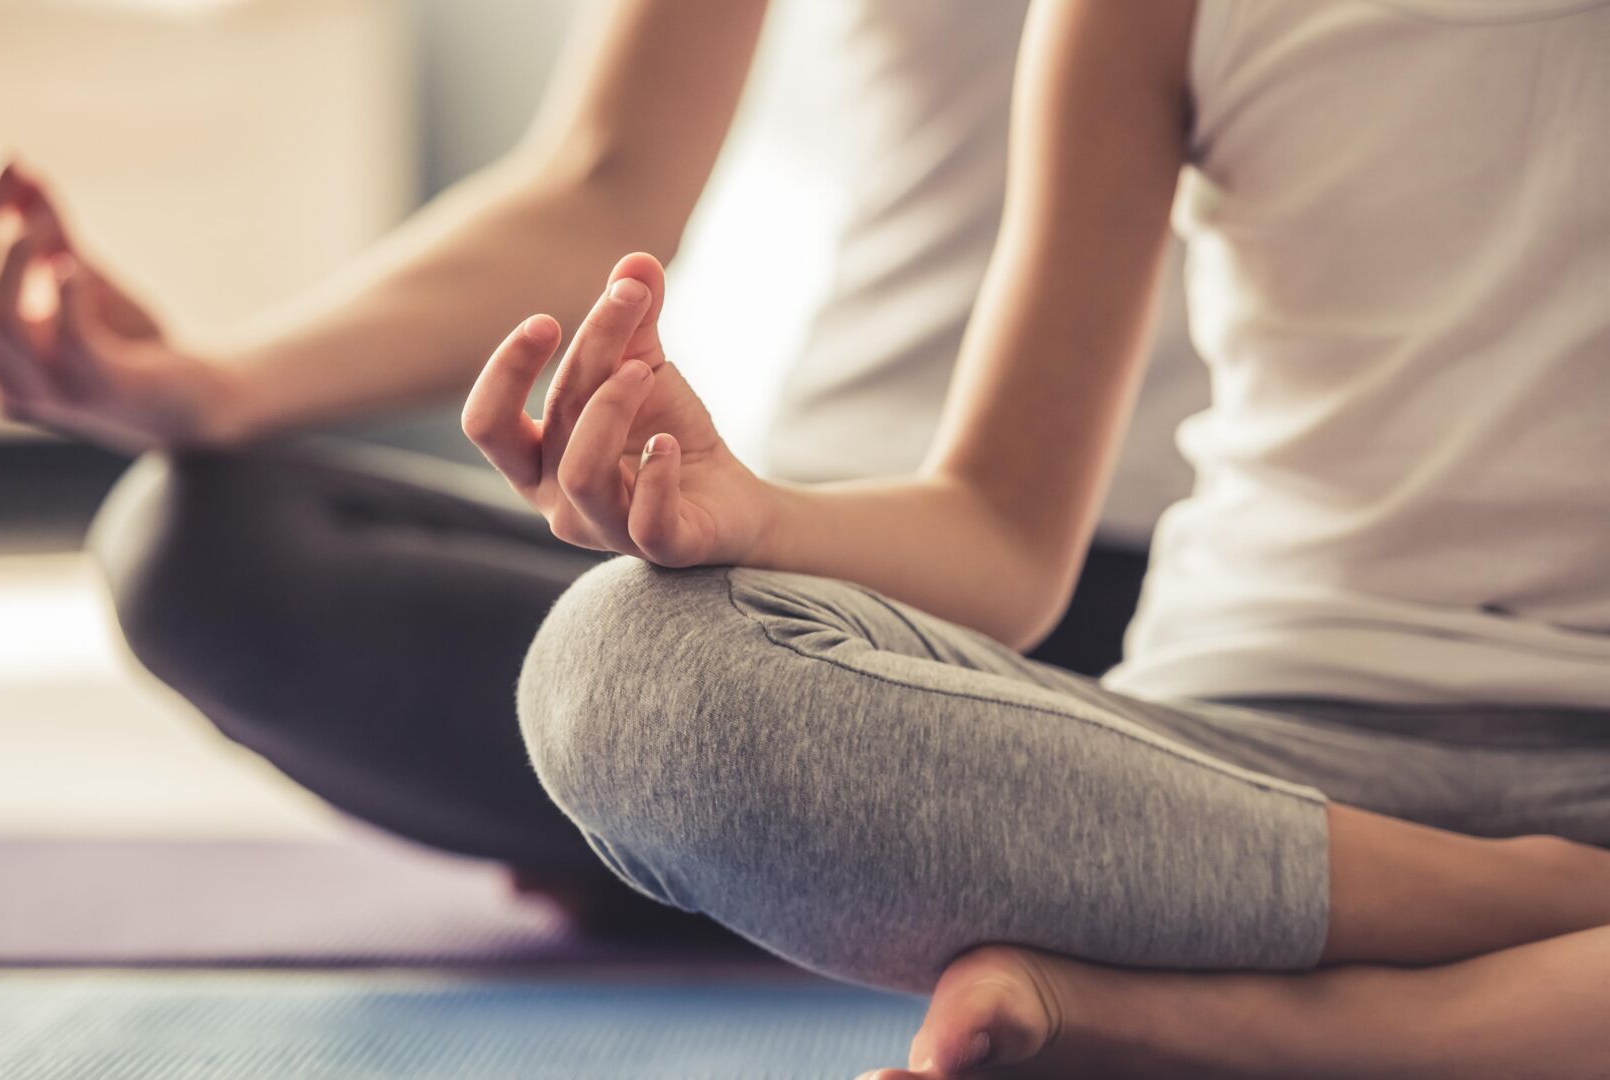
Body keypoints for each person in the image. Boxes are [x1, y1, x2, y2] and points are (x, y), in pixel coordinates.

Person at [460, 0, 1610, 1076]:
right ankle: (1537, 916)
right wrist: (752, 514)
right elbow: (1002, 536)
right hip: (1229, 767)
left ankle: (1254, 1027)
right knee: (629, 667)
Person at [0, 2, 1204, 933]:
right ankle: (756, 854)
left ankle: (730, 859)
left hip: (1132, 595)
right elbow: (603, 177)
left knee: (683, 692)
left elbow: (1005, 541)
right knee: (199, 542)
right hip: (796, 546)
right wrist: (209, 386)